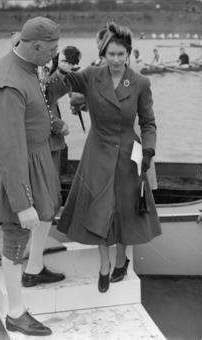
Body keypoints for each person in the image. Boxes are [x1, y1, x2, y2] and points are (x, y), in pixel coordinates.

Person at [0, 17, 70, 336]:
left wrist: (51, 122)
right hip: (20, 163)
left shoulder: (25, 56)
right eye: (51, 50)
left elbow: (36, 91)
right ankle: (16, 312)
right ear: (36, 46)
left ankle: (35, 268)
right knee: (17, 232)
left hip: (38, 155)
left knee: (47, 211)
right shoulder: (8, 85)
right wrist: (21, 202)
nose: (53, 57)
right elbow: (10, 150)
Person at [57, 22, 162, 293]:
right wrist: (59, 66)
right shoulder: (91, 74)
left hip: (131, 151)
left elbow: (148, 122)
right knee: (99, 207)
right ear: (103, 53)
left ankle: (120, 260)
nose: (116, 60)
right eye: (111, 54)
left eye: (121, 55)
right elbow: (61, 84)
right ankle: (103, 264)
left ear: (128, 54)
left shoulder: (141, 82)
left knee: (126, 209)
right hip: (98, 149)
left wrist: (148, 150)